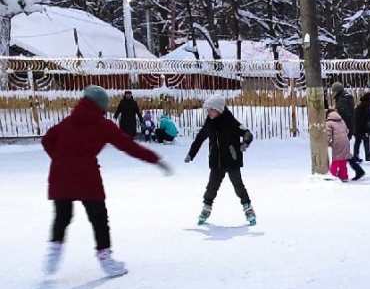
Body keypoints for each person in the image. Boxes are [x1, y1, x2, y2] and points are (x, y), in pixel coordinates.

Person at [42, 85, 172, 278]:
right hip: (87, 176)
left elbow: (46, 140)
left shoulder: (68, 121)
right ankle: (106, 259)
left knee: (62, 216)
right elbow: (129, 146)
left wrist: (60, 158)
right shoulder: (103, 125)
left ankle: (53, 254)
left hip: (61, 174)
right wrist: (155, 159)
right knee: (99, 218)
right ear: (102, 105)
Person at [185, 95, 256, 226]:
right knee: (211, 187)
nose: (208, 112)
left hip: (231, 160)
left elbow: (247, 133)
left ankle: (248, 209)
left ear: (218, 109)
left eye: (210, 109)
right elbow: (199, 139)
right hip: (216, 162)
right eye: (207, 110)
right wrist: (191, 154)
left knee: (238, 186)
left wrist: (245, 142)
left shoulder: (231, 122)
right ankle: (206, 209)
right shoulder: (209, 124)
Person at [326, 109, 365, 181]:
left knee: (336, 160)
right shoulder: (341, 120)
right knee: (343, 160)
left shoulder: (329, 123)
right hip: (345, 141)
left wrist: (327, 143)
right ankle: (343, 176)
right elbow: (347, 130)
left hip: (337, 143)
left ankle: (332, 175)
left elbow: (328, 135)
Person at [353, 92, 370, 162]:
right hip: (363, 127)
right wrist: (369, 129)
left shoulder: (359, 106)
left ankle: (355, 156)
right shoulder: (368, 105)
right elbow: (368, 117)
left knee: (357, 141)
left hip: (356, 127)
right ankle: (368, 156)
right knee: (366, 141)